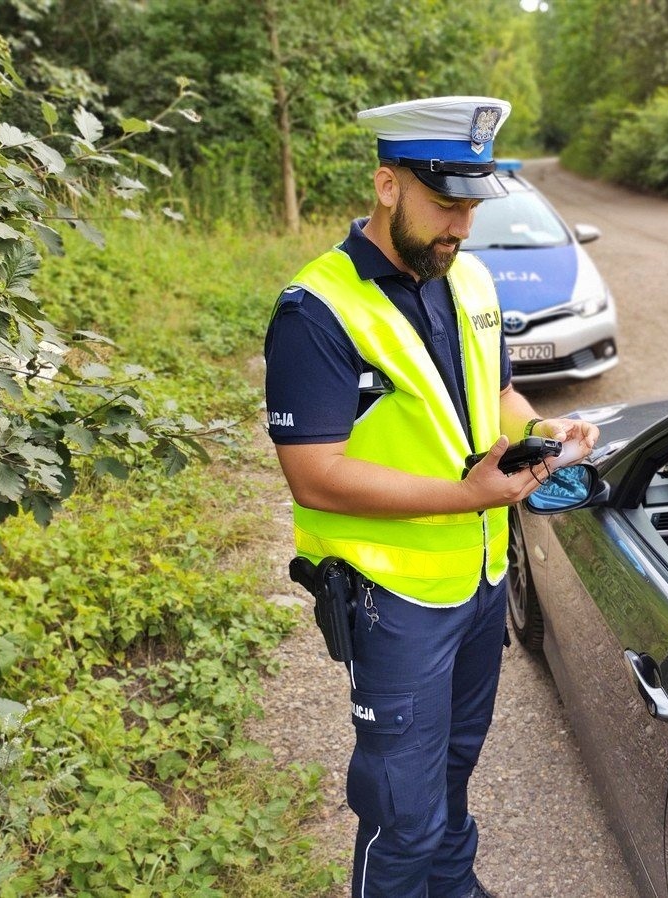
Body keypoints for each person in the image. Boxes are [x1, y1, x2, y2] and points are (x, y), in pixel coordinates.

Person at [263, 95, 599, 898]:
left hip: (480, 583)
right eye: (446, 205)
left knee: (453, 769)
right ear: (387, 186)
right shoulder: (316, 310)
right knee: (401, 809)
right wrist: (465, 496)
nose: (461, 227)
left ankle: (456, 889)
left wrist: (546, 428)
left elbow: (499, 399)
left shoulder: (469, 278)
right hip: (392, 600)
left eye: (471, 206)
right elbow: (313, 472)